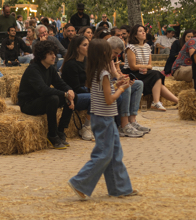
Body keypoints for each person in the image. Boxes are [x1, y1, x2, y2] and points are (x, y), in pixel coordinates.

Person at [68, 38, 136, 201]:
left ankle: (119, 188)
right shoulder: (104, 74)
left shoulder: (97, 71)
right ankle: (79, 183)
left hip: (103, 117)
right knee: (104, 154)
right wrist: (122, 88)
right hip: (104, 118)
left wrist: (117, 85)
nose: (114, 56)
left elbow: (104, 92)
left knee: (115, 153)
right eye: (111, 52)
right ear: (104, 53)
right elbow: (109, 99)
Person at [17, 40, 75, 150]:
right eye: (50, 54)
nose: (54, 56)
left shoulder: (50, 68)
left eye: (54, 53)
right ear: (42, 55)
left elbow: (60, 83)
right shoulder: (33, 69)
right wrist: (65, 94)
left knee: (73, 96)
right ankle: (52, 135)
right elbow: (44, 90)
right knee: (53, 98)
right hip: (28, 104)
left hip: (41, 100)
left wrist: (69, 91)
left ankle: (60, 131)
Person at [125, 25, 178, 111]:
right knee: (156, 74)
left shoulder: (147, 46)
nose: (143, 33)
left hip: (144, 72)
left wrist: (145, 68)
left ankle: (178, 101)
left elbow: (150, 65)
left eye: (144, 31)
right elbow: (133, 67)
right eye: (140, 31)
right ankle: (156, 102)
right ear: (135, 35)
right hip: (132, 74)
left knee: (157, 81)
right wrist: (145, 67)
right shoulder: (131, 47)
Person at [106, 37, 148, 138]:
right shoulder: (100, 59)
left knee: (139, 84)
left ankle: (132, 120)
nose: (116, 56)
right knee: (126, 87)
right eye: (115, 53)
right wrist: (119, 83)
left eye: (118, 54)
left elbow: (116, 75)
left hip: (112, 84)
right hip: (107, 87)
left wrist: (122, 78)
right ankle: (123, 125)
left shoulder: (110, 59)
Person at [61, 35, 94, 141]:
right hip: (73, 97)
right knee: (96, 97)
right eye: (85, 45)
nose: (88, 47)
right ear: (76, 48)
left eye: (88, 45)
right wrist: (93, 91)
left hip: (85, 92)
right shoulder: (70, 64)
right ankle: (86, 127)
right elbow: (76, 88)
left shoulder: (87, 61)